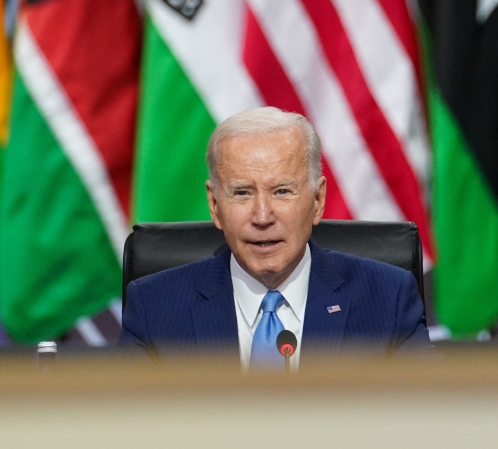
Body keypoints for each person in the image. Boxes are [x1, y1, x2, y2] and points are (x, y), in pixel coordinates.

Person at [118, 107, 429, 368]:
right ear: (214, 205)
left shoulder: (387, 300)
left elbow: (422, 417)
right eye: (242, 193)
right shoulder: (154, 309)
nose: (263, 216)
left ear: (317, 199)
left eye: (282, 191)